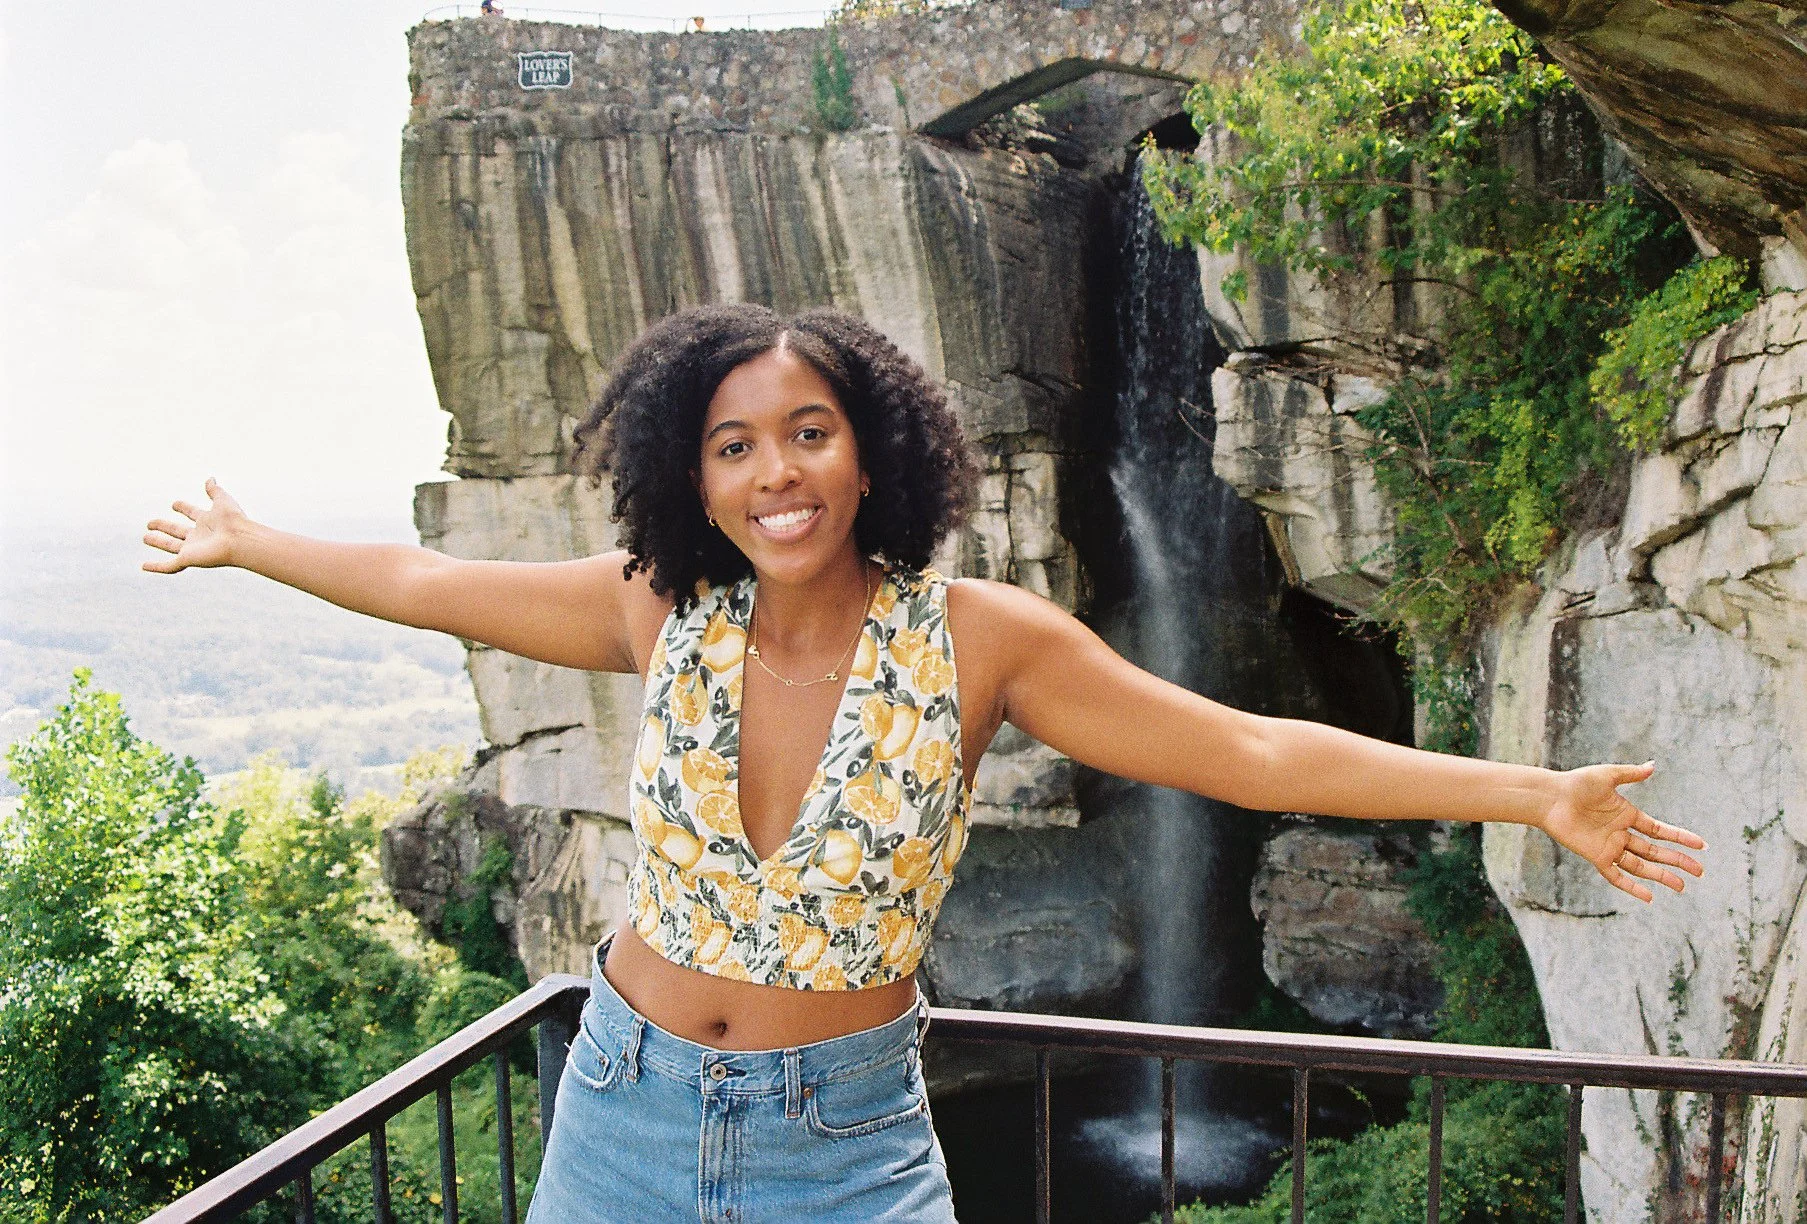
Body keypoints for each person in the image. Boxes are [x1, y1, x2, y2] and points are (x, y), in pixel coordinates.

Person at [143, 303, 1706, 1221]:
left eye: (807, 430)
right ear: (690, 473)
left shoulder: (978, 642)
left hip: (845, 1136)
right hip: (618, 1102)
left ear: (872, 444)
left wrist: (1527, 791)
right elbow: (423, 586)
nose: (775, 472)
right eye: (734, 443)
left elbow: (1239, 748)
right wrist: (247, 541)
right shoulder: (655, 608)